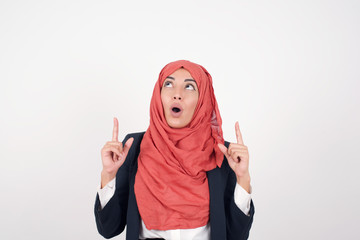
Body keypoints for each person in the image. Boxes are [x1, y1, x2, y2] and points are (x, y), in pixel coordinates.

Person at [94, 60, 255, 240]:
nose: (177, 95)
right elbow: (108, 229)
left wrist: (243, 178)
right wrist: (109, 174)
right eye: (168, 84)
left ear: (203, 99)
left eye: (189, 87)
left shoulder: (222, 153)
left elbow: (237, 236)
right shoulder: (133, 147)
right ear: (158, 94)